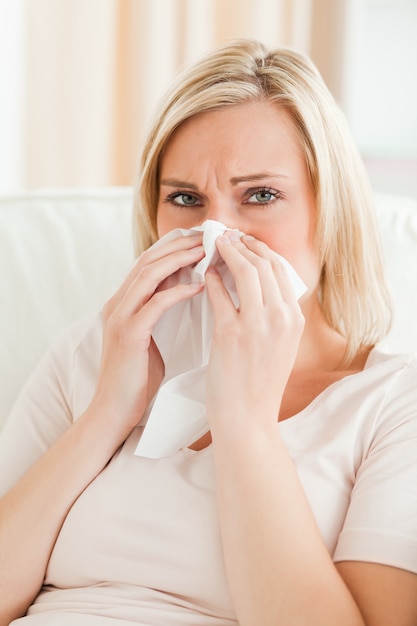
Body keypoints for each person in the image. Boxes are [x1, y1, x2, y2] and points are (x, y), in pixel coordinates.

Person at [0, 38, 416, 626]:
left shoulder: (393, 407)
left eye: (261, 195)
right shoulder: (95, 350)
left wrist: (244, 419)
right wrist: (108, 414)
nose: (216, 233)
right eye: (186, 199)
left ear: (332, 211)